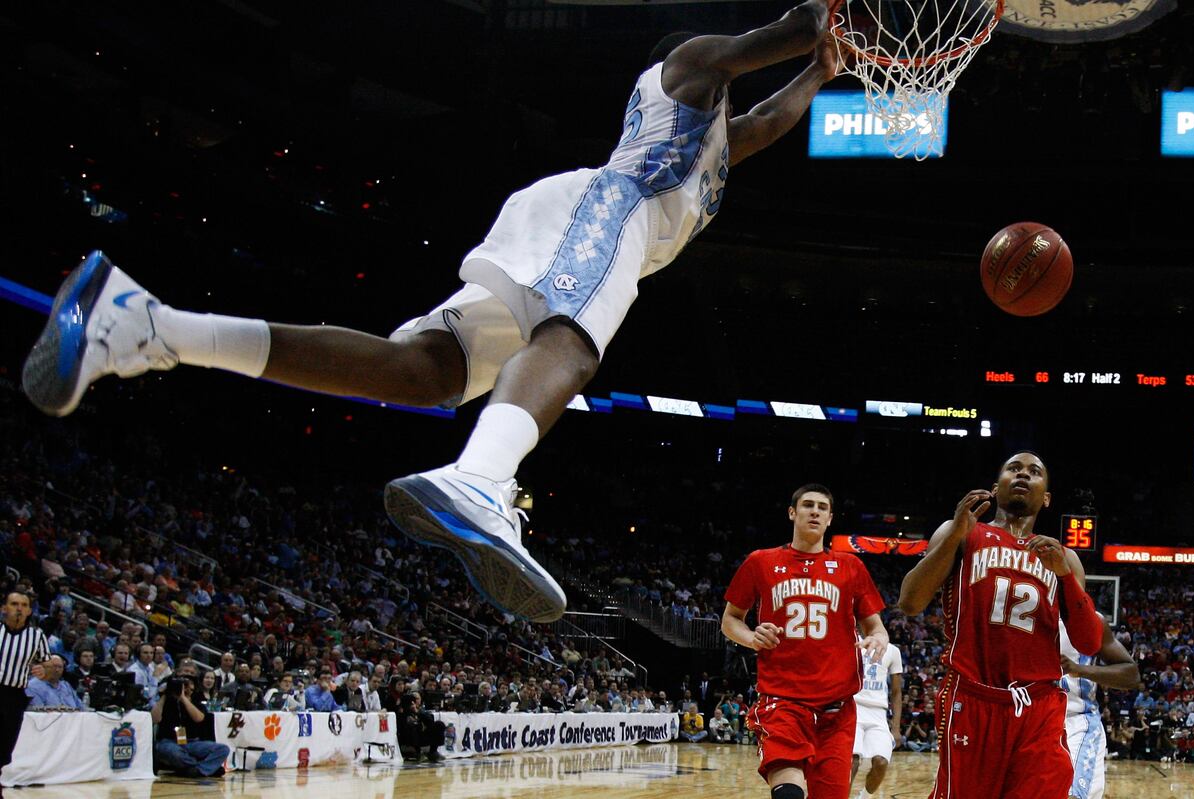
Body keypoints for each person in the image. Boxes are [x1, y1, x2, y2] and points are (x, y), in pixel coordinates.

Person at [23, 0, 840, 625]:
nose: (735, 99)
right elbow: (778, 32)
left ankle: (149, 324)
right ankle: (484, 480)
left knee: (423, 371)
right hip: (606, 210)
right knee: (572, 343)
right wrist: (826, 19)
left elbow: (769, 118)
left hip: (577, 219)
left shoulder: (713, 151)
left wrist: (822, 71)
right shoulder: (686, 68)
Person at [897, 451, 1105, 799]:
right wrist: (953, 536)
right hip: (974, 696)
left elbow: (1089, 643)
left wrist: (1066, 577)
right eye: (1014, 469)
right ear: (997, 486)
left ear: (1047, 496)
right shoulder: (961, 533)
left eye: (1034, 471)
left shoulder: (1063, 557)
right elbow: (910, 602)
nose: (1023, 474)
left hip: (1039, 706)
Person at [722, 484, 889, 799]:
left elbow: (876, 627)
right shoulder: (761, 561)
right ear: (792, 513)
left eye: (822, 507)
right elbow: (730, 620)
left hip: (837, 711)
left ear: (829, 519)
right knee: (789, 791)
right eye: (808, 505)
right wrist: (752, 637)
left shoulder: (852, 566)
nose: (815, 511)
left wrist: (878, 638)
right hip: (782, 701)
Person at [1060, 615, 1139, 799]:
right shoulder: (1016, 611)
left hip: (1076, 719)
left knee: (1071, 795)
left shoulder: (1091, 619)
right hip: (1030, 718)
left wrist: (1079, 669)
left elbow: (1131, 675)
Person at [1, 592, 49, 776]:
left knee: (6, 745)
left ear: (29, 610)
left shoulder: (36, 636)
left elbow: (48, 665)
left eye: (23, 605)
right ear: (4, 608)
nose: (19, 608)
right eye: (14, 604)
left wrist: (44, 672)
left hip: (15, 696)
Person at [850, 642, 903, 799]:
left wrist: (896, 728)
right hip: (853, 707)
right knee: (851, 762)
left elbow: (896, 692)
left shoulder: (893, 650)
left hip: (878, 713)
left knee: (881, 762)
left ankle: (864, 796)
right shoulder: (853, 641)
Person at [151, 674, 229, 777]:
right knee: (173, 752)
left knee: (223, 749)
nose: (184, 688)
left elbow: (198, 718)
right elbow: (154, 719)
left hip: (192, 742)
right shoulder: (166, 701)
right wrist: (165, 695)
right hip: (169, 741)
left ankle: (193, 769)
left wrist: (183, 698)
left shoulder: (196, 701)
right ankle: (202, 768)